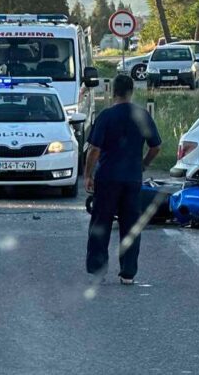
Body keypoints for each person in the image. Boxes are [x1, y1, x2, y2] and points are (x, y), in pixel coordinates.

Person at [84, 75, 161, 285]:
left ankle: (98, 269)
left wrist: (88, 174)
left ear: (112, 92)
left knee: (101, 223)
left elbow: (94, 149)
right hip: (132, 178)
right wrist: (144, 164)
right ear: (131, 91)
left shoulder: (106, 116)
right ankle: (128, 272)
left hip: (108, 178)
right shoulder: (142, 115)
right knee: (130, 225)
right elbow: (156, 147)